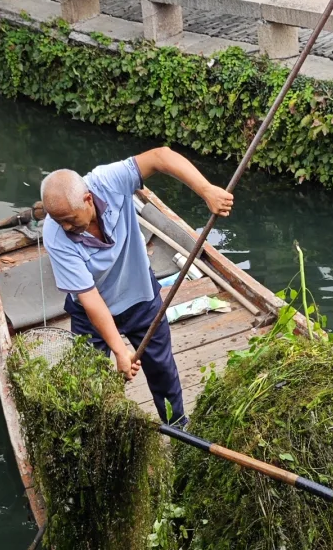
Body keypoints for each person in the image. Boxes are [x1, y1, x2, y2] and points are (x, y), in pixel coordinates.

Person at [40, 148, 233, 424]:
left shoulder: (108, 180)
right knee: (87, 379)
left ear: (87, 199)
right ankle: (94, 435)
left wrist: (207, 191)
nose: (66, 227)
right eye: (59, 222)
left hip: (139, 294)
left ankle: (178, 426)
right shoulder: (56, 235)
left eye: (70, 219)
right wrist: (120, 349)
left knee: (162, 369)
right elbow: (90, 299)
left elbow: (161, 157)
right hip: (90, 312)